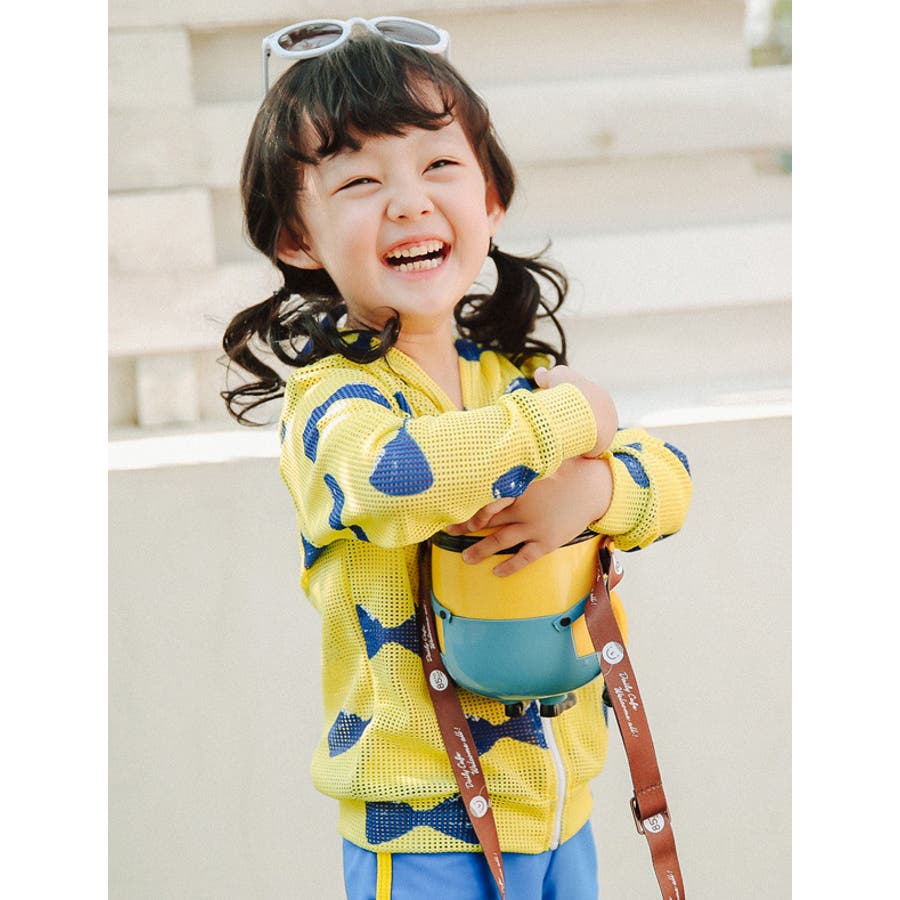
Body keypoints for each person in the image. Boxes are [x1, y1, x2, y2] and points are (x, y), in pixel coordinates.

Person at [221, 17, 693, 900]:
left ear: (492, 198)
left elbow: (670, 479)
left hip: (563, 810)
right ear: (295, 237)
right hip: (422, 830)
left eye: (439, 164)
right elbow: (394, 476)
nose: (408, 202)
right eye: (360, 180)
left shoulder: (514, 376)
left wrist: (593, 489)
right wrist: (569, 419)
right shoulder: (334, 402)